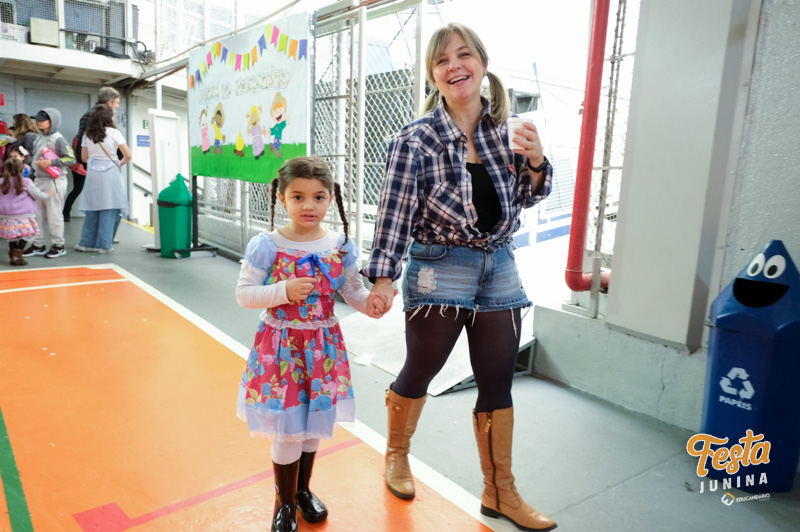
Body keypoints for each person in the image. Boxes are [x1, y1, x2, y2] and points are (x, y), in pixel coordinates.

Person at [362, 23, 556, 531]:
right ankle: (396, 455)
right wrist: (382, 278)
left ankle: (500, 492)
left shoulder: (507, 132)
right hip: (440, 266)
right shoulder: (414, 140)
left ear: (482, 64)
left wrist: (537, 161)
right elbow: (394, 215)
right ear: (433, 75)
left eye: (463, 55)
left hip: (500, 264)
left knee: (497, 380)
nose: (455, 66)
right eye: (442, 60)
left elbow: (530, 196)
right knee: (421, 368)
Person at [234, 156, 384, 532]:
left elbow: (351, 290)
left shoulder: (340, 246)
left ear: (330, 199)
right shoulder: (267, 245)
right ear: (282, 198)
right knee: (288, 427)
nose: (308, 205)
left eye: (318, 197)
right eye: (298, 197)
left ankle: (302, 491)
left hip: (323, 349)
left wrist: (371, 304)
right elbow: (244, 293)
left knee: (314, 425)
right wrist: (282, 291)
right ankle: (283, 502)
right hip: (281, 349)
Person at [76, 104, 131, 253]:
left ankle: (86, 243)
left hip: (93, 174)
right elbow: (128, 155)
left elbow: (84, 158)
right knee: (110, 208)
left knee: (92, 208)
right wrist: (119, 163)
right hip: (110, 174)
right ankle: (104, 245)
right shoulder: (114, 133)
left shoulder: (88, 134)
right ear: (109, 117)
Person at [23, 108, 75, 259]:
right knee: (36, 215)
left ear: (52, 121)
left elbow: (71, 159)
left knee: (54, 215)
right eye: (37, 119)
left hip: (54, 182)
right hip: (39, 180)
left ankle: (58, 245)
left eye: (42, 120)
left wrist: (51, 162)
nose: (38, 122)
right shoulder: (39, 138)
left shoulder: (58, 139)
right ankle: (37, 244)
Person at [65, 87, 121, 222]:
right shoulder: (91, 116)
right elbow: (81, 143)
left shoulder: (103, 117)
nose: (118, 106)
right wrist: (86, 165)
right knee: (95, 199)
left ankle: (103, 228)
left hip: (103, 167)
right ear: (109, 102)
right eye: (117, 103)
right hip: (95, 166)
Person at [0, 158, 51, 266]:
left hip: (7, 215)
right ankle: (17, 254)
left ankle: (13, 253)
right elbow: (38, 195)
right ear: (22, 169)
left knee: (12, 236)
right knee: (27, 234)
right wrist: (47, 195)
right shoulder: (26, 182)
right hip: (24, 214)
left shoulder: (1, 181)